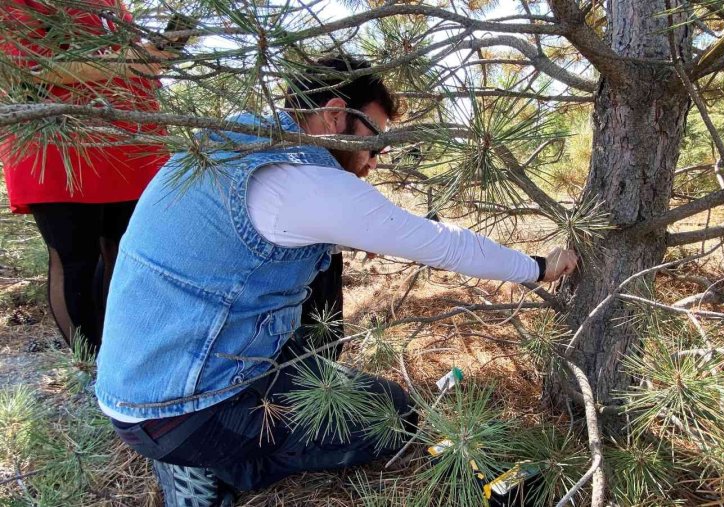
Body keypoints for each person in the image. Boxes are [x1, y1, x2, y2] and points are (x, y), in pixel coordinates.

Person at [95, 57, 578, 506]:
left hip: (140, 385)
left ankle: (198, 442)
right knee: (392, 415)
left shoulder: (233, 138)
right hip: (188, 409)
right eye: (375, 140)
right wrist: (538, 266)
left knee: (326, 285)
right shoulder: (309, 182)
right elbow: (443, 244)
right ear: (334, 115)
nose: (374, 160)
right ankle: (206, 466)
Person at [0, 0, 170, 353]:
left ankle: (122, 358)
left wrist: (164, 48)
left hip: (131, 137)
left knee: (128, 252)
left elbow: (135, 58)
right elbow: (32, 66)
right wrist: (136, 60)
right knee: (74, 259)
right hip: (61, 139)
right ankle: (88, 365)